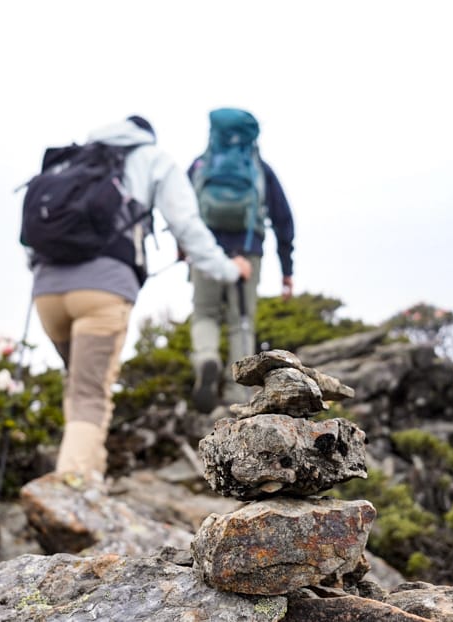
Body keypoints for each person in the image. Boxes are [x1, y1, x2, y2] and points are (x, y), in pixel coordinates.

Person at [28, 115, 251, 478]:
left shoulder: (75, 158)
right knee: (90, 392)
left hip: (47, 291)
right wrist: (228, 269)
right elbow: (186, 224)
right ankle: (75, 492)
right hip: (102, 290)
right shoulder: (152, 157)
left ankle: (87, 472)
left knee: (77, 383)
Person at [188, 108, 295, 413]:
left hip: (204, 250)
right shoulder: (260, 169)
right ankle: (238, 393)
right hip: (248, 252)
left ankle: (206, 356)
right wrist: (287, 270)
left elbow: (182, 210)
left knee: (205, 312)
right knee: (241, 322)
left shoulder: (200, 165)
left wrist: (184, 247)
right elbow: (283, 220)